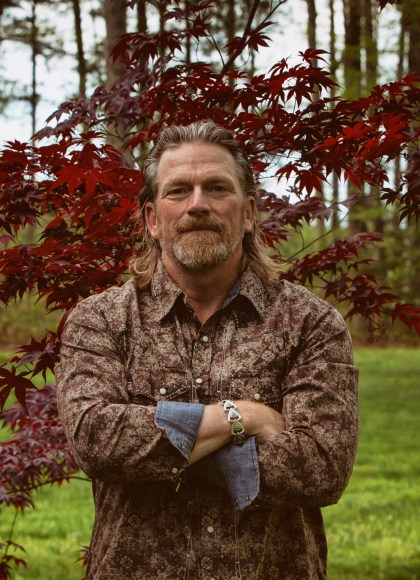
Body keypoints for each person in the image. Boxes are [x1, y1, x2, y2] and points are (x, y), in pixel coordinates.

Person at [57, 121, 359, 580]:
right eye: (178, 190)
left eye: (217, 188)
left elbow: (320, 467)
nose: (198, 204)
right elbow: (97, 440)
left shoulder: (311, 323)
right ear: (152, 219)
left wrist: (161, 447)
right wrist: (241, 417)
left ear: (249, 212)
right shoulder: (101, 321)